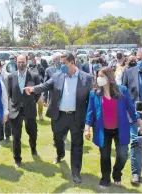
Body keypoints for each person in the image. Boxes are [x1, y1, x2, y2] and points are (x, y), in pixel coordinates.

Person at [24, 52, 93, 184]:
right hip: (59, 115)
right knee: (57, 138)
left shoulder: (87, 78)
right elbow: (45, 85)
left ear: (72, 63)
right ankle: (60, 154)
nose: (61, 66)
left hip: (76, 117)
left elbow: (90, 99)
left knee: (77, 145)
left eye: (64, 63)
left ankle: (76, 172)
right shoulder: (57, 76)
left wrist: (90, 120)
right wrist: (33, 89)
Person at [84, 67, 136, 188]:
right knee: (105, 155)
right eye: (98, 76)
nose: (99, 79)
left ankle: (117, 173)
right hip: (103, 130)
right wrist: (87, 128)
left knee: (123, 155)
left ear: (110, 77)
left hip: (120, 129)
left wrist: (138, 120)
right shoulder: (94, 94)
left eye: (102, 76)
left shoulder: (122, 90)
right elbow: (90, 113)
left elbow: (131, 109)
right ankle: (105, 178)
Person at [7, 55, 41, 167]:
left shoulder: (34, 76)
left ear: (27, 62)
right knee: (16, 136)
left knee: (32, 132)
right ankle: (17, 159)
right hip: (15, 109)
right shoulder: (11, 76)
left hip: (29, 109)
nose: (21, 64)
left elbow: (38, 92)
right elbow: (9, 93)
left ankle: (33, 148)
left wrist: (31, 102)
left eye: (23, 62)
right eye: (19, 62)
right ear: (16, 62)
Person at [122, 48, 142, 185]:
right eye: (139, 59)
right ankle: (135, 173)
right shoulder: (128, 72)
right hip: (134, 114)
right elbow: (123, 92)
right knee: (136, 141)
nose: (141, 62)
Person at [0, 60, 12, 141]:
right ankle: (0, 135)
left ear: (1, 67)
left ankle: (8, 135)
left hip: (7, 99)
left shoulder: (8, 76)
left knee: (7, 117)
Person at [28, 53, 45, 121]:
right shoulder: (27, 67)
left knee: (40, 101)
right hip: (30, 86)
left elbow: (43, 75)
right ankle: (33, 115)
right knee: (32, 102)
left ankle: (40, 113)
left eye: (32, 59)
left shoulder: (40, 67)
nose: (31, 60)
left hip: (39, 86)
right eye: (30, 59)